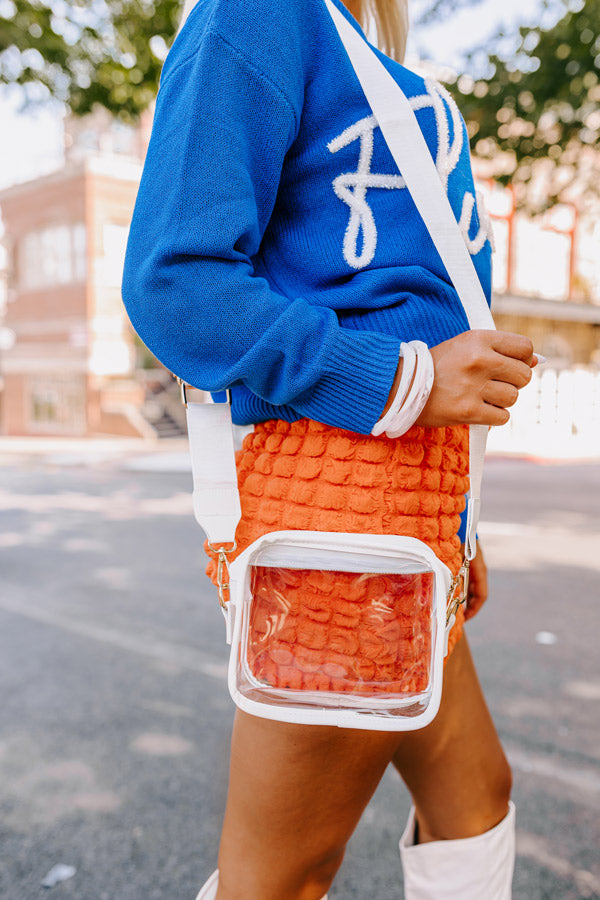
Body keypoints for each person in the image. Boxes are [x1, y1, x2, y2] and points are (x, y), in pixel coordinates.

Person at [121, 0, 538, 896]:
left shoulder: (355, 34)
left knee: (475, 801)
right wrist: (409, 381)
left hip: (415, 514)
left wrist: (460, 522)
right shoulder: (261, 13)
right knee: (280, 877)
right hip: (346, 519)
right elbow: (176, 280)